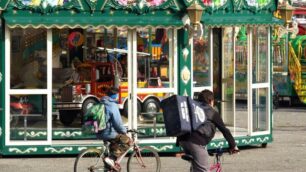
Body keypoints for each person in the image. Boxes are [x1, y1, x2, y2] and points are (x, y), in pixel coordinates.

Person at [177, 89, 239, 172]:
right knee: (203, 169)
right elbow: (224, 130)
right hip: (196, 142)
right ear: (211, 101)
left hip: (182, 140)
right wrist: (233, 146)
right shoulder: (212, 112)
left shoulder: (193, 108)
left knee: (196, 166)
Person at [97, 87, 131, 170]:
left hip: (99, 131)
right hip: (108, 132)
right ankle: (111, 159)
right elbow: (118, 123)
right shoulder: (112, 105)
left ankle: (109, 166)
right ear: (115, 95)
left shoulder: (101, 102)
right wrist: (124, 131)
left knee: (114, 145)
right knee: (128, 141)